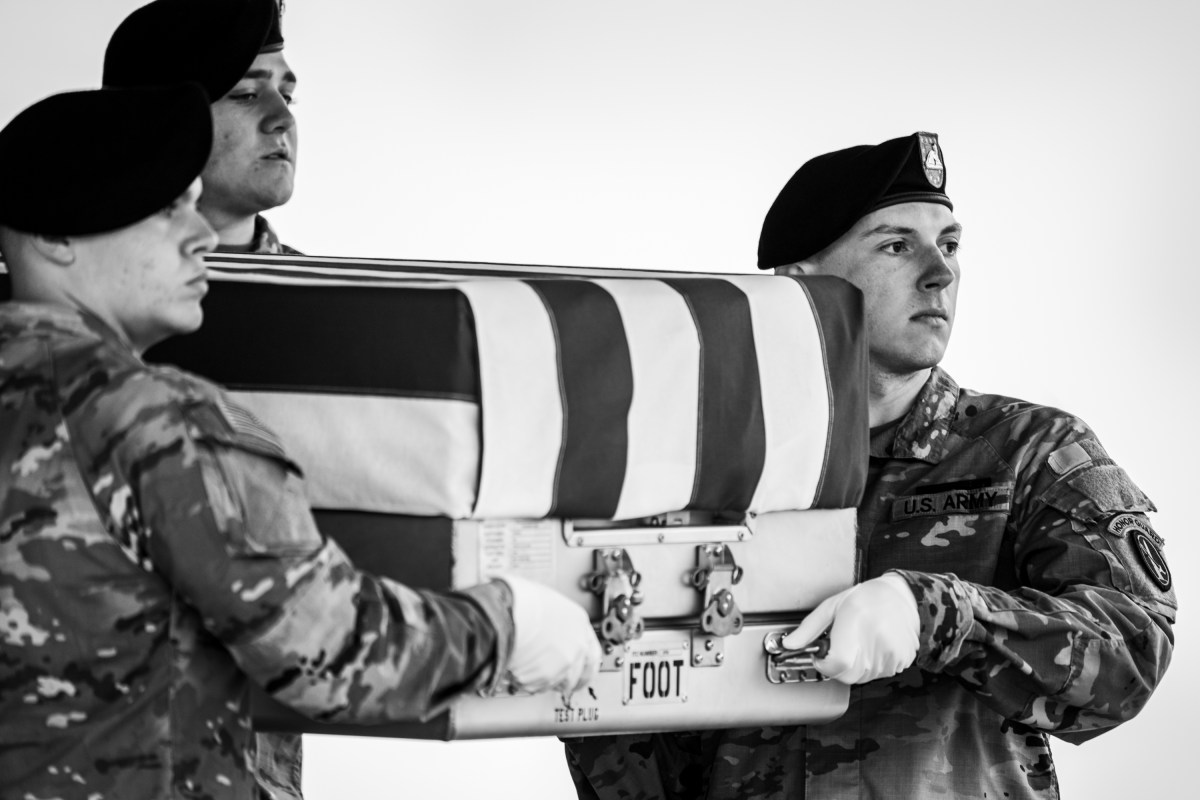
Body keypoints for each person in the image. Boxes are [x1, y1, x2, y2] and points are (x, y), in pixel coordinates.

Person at [0, 83, 600, 800]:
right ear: (57, 238)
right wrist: (508, 623)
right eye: (164, 212)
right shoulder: (159, 422)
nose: (197, 236)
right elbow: (332, 654)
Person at [563, 132, 1176, 799]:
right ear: (805, 285)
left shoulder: (1033, 451)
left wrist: (936, 614)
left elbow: (1130, 654)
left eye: (949, 245)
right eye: (895, 245)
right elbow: (641, 744)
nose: (939, 272)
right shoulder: (702, 470)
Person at [105, 0, 300, 254]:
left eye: (287, 97)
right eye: (247, 95)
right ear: (157, 125)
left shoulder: (329, 292)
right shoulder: (73, 285)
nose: (284, 119)